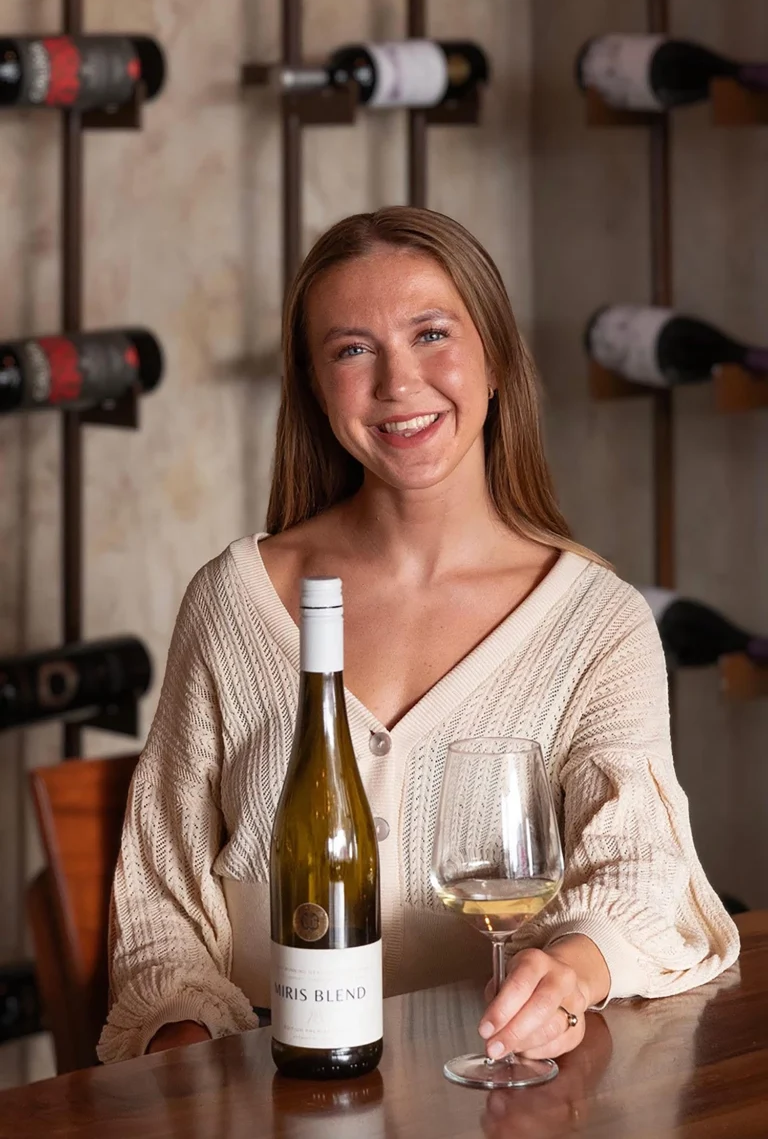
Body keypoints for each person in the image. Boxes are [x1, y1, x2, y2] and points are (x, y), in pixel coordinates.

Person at [97, 206, 739, 1065]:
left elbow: (637, 875)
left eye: (431, 332)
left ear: (498, 356)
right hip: (268, 1087)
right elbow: (161, 900)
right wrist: (191, 1062)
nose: (398, 383)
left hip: (504, 1091)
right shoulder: (230, 603)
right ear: (317, 386)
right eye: (352, 349)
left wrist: (568, 975)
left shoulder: (597, 623)